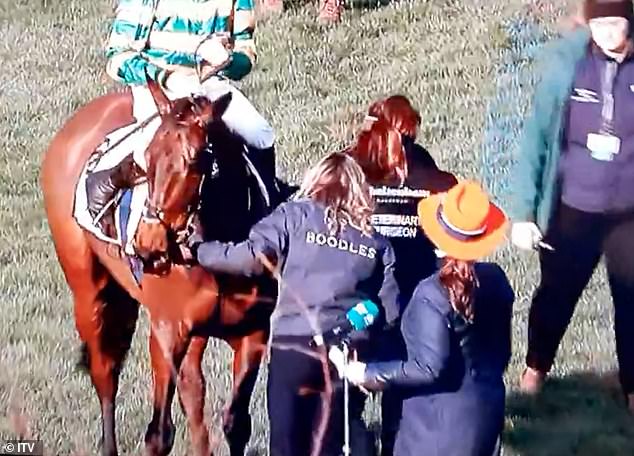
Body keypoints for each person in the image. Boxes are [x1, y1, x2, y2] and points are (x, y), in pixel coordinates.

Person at [186, 151, 401, 456]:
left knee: (286, 446)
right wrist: (354, 326)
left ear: (316, 181)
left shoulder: (293, 216)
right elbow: (388, 310)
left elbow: (250, 259)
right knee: (330, 446)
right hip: (345, 356)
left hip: (293, 351)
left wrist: (200, 250)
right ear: (358, 190)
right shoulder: (377, 243)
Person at [509, 0, 634, 412]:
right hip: (573, 206)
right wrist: (524, 214)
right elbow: (536, 140)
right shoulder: (569, 67)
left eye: (615, 23)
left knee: (631, 300)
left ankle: (632, 390)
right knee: (556, 296)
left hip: (628, 214)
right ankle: (534, 371)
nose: (607, 33)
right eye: (600, 24)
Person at [330, 180, 514, 456]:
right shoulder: (496, 279)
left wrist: (364, 373)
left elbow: (427, 368)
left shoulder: (431, 294)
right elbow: (501, 354)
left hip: (435, 427)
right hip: (486, 416)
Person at [86, 0, 280, 230]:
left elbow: (245, 55)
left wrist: (228, 62)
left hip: (208, 83)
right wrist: (163, 77)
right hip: (157, 83)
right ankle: (123, 214)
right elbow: (118, 57)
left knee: (260, 132)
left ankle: (270, 209)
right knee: (154, 149)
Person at [346, 97, 457, 456]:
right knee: (401, 393)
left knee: (347, 397)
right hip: (413, 303)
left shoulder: (351, 169)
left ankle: (356, 440)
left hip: (358, 303)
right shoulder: (432, 174)